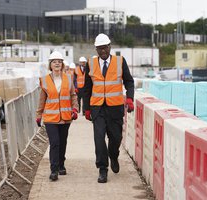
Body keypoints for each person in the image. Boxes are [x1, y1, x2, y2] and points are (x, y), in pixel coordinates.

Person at [83, 33, 135, 183]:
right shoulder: (91, 63)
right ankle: (102, 169)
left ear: (109, 47)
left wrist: (130, 98)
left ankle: (113, 155)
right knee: (99, 139)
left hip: (115, 108)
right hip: (98, 108)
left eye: (105, 48)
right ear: (96, 49)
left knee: (116, 138)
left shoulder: (120, 61)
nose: (102, 51)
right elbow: (87, 88)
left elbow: (129, 82)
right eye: (99, 49)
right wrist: (86, 108)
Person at [36, 51, 79, 181]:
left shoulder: (68, 78)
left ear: (62, 64)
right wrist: (39, 115)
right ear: (50, 64)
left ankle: (61, 164)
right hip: (50, 118)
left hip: (65, 117)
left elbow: (73, 95)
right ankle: (54, 170)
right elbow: (42, 99)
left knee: (62, 142)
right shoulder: (44, 80)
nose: (57, 64)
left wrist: (75, 109)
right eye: (54, 62)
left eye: (59, 62)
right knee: (54, 143)